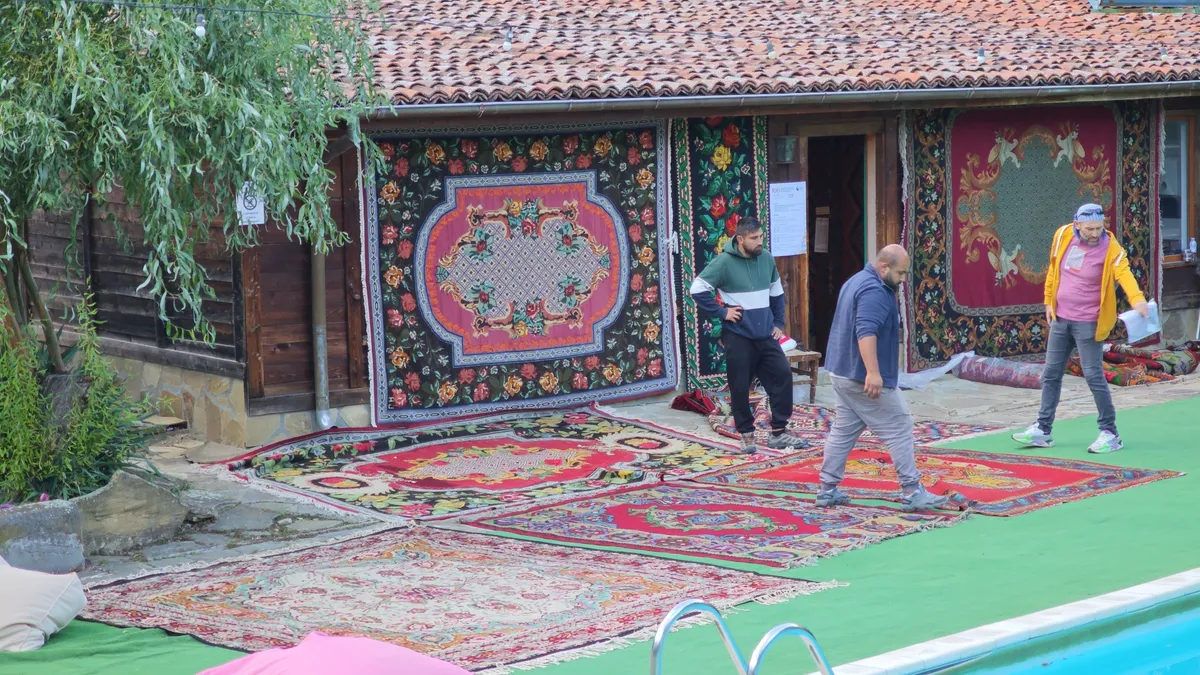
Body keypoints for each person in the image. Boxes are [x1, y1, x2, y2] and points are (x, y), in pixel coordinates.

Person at [815, 245, 949, 512]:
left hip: (841, 372)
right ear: (884, 267)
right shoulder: (875, 290)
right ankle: (912, 491)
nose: (903, 279)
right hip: (861, 376)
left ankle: (827, 490)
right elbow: (866, 331)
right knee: (899, 426)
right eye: (900, 273)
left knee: (843, 430)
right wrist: (873, 373)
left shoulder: (855, 281)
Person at [1012, 203, 1150, 454]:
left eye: (1099, 228)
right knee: (1051, 374)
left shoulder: (1111, 248)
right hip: (1061, 318)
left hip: (1088, 323)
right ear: (1077, 224)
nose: (1095, 233)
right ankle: (1043, 429)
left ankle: (1110, 433)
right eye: (1089, 229)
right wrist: (1048, 300)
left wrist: (1137, 299)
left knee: (1094, 376)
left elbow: (1125, 274)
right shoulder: (1062, 236)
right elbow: (1054, 269)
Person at [690, 217, 806, 454]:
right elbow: (697, 289)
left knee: (783, 376)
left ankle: (778, 432)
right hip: (738, 336)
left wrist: (778, 322)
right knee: (740, 385)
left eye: (761, 236)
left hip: (765, 335)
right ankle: (746, 434)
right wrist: (723, 312)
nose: (759, 241)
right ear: (740, 239)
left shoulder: (767, 259)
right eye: (754, 238)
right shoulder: (724, 262)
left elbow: (776, 293)